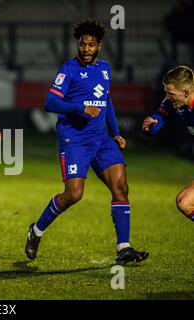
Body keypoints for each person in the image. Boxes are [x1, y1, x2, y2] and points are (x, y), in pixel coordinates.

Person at [25, 19, 149, 265]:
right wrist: (80, 107)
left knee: (121, 187)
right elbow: (51, 103)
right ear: (78, 45)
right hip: (75, 139)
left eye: (91, 45)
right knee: (73, 194)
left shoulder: (104, 69)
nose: (85, 49)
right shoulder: (68, 70)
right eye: (82, 44)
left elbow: (107, 101)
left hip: (101, 139)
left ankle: (123, 248)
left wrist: (114, 132)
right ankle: (36, 231)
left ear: (99, 46)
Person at [142, 65, 194, 222]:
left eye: (170, 93)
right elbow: (157, 122)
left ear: (186, 93)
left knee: (186, 203)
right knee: (184, 203)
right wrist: (149, 126)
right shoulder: (173, 102)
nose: (167, 97)